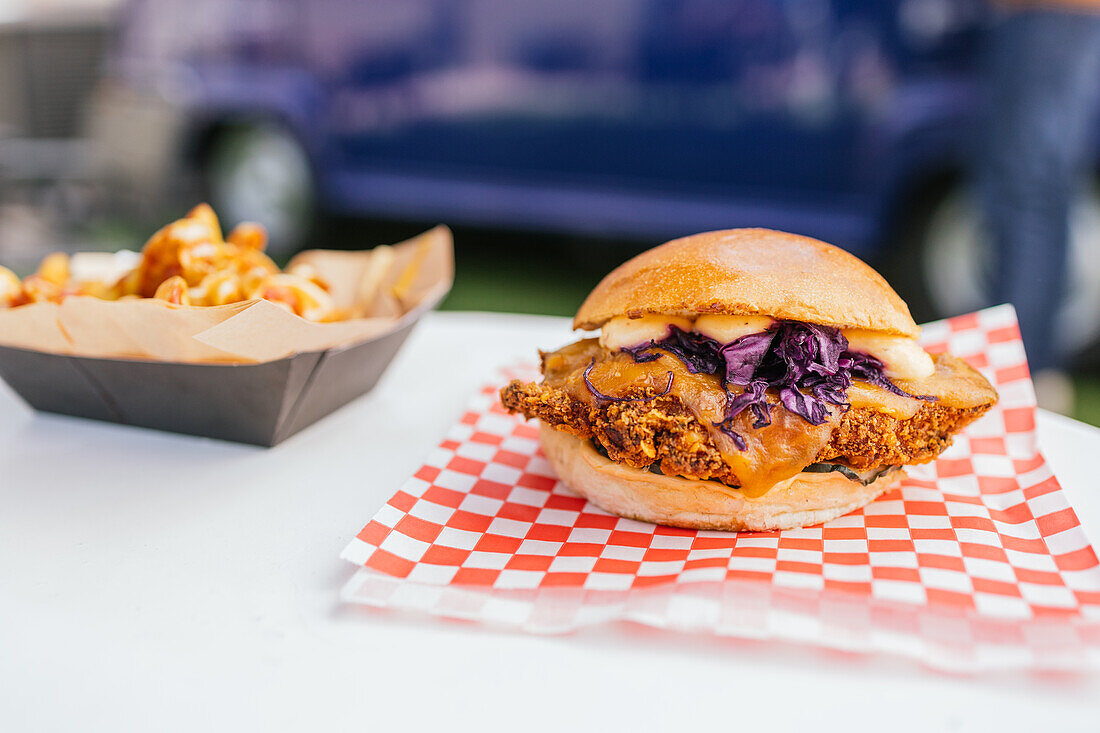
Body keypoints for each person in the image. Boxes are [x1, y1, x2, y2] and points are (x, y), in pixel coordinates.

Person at [975, 0, 1100, 413]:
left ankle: (1018, 376)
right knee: (1028, 193)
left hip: (1052, 13)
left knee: (1027, 193)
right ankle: (1030, 372)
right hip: (1049, 17)